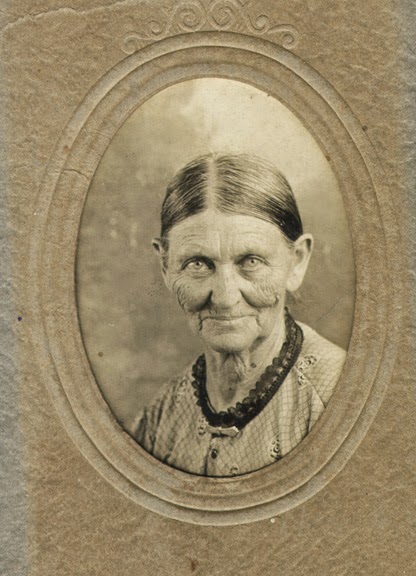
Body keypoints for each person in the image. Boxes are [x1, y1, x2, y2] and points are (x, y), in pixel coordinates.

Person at [131, 153, 346, 477]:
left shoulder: (341, 399)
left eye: (251, 262)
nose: (225, 298)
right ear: (165, 266)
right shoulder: (160, 417)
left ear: (297, 261)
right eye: (198, 264)